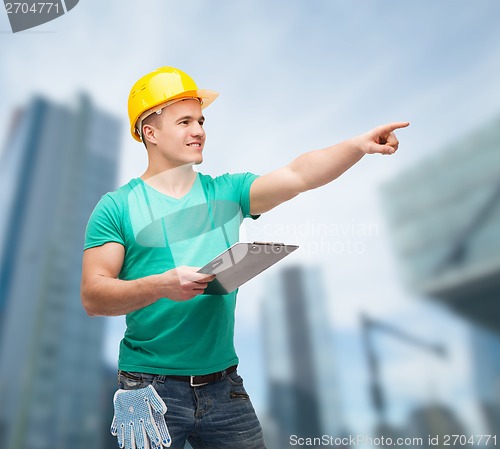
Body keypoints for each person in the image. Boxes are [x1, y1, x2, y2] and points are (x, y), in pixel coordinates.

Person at [80, 66, 409, 449]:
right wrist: (163, 285)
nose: (199, 130)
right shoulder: (117, 207)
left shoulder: (229, 192)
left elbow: (298, 175)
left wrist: (357, 146)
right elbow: (93, 295)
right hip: (147, 390)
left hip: (224, 388)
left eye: (200, 120)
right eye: (184, 121)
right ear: (150, 133)